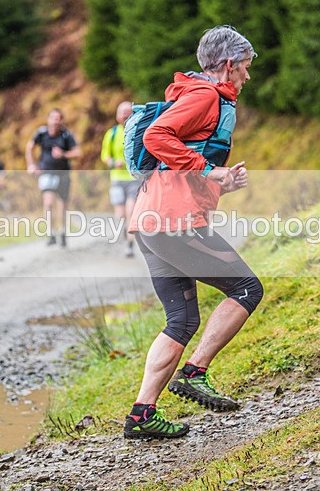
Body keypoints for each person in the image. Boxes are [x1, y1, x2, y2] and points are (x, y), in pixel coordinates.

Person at [123, 26, 264, 440]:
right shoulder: (204, 96)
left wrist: (220, 181)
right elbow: (156, 136)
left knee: (181, 319)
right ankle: (194, 372)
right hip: (173, 222)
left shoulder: (196, 97)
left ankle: (141, 414)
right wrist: (209, 170)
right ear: (228, 65)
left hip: (150, 220)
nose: (247, 77)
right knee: (246, 289)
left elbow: (180, 163)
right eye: (245, 68)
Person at [25, 108, 82, 247]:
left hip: (63, 172)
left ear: (62, 121)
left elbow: (78, 153)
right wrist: (31, 164)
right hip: (46, 172)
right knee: (48, 203)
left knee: (62, 204)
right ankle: (51, 233)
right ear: (48, 119)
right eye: (53, 118)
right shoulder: (41, 133)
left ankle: (62, 232)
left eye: (58, 118)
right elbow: (29, 147)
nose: (56, 121)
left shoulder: (66, 135)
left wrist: (63, 154)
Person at [101, 101, 142, 257]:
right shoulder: (111, 134)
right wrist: (112, 162)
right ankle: (127, 235)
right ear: (117, 115)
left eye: (128, 111)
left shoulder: (138, 130)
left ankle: (130, 245)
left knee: (131, 211)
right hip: (117, 178)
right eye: (122, 111)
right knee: (120, 215)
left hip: (134, 178)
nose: (125, 114)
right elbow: (105, 155)